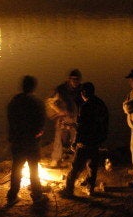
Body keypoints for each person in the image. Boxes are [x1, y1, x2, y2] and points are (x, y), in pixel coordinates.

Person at [60, 82, 109, 198]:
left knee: (76, 166)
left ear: (84, 93)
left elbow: (81, 127)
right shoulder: (101, 104)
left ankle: (68, 189)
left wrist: (75, 142)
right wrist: (102, 138)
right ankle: (90, 188)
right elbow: (105, 123)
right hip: (96, 141)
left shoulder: (85, 107)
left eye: (82, 92)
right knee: (92, 166)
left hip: (85, 142)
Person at [6, 75, 48, 206]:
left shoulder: (14, 101)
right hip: (31, 142)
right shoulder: (36, 102)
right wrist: (38, 133)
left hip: (17, 140)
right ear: (33, 87)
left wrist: (12, 135)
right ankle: (37, 195)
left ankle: (12, 196)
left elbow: (10, 120)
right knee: (33, 168)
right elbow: (41, 123)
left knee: (16, 168)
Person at [46, 69, 83, 168]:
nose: (75, 81)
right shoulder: (61, 89)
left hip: (76, 119)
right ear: (69, 79)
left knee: (76, 140)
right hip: (63, 119)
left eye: (77, 79)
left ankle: (76, 161)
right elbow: (50, 101)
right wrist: (59, 111)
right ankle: (56, 159)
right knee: (58, 139)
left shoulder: (81, 89)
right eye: (73, 79)